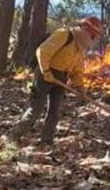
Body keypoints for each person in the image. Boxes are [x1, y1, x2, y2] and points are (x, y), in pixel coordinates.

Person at [10, 16, 102, 146]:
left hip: (61, 78)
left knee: (54, 111)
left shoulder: (80, 47)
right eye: (92, 34)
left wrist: (80, 88)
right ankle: (15, 135)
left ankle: (46, 141)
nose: (93, 38)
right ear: (85, 28)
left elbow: (77, 70)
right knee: (35, 110)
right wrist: (46, 72)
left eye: (94, 36)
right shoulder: (64, 35)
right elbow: (42, 51)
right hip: (44, 74)